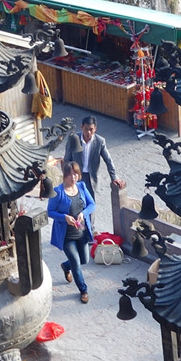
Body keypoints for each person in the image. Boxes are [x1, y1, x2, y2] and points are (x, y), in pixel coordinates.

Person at [47, 160, 95, 303]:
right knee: (76, 263)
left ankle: (65, 266)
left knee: (84, 260)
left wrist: (83, 213)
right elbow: (50, 212)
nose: (73, 177)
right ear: (64, 176)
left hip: (81, 233)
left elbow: (92, 204)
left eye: (75, 174)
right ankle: (83, 290)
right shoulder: (58, 192)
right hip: (67, 235)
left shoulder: (82, 186)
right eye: (70, 174)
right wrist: (64, 217)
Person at [62, 116, 125, 201]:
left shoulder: (100, 141)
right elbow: (67, 159)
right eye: (86, 129)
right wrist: (68, 175)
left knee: (89, 202)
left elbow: (108, 160)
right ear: (81, 127)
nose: (88, 132)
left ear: (95, 129)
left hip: (90, 177)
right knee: (74, 201)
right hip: (76, 175)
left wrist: (114, 177)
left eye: (91, 129)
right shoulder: (73, 139)